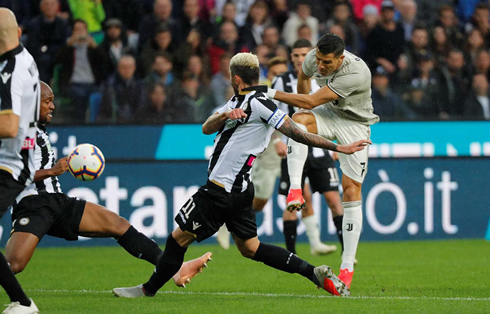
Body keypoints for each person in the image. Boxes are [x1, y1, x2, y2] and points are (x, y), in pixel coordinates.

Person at [112, 52, 371, 299]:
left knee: (176, 239)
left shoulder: (259, 104)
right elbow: (206, 127)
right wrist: (224, 115)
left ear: (235, 78)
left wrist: (338, 146)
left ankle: (147, 290)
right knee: (251, 248)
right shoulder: (234, 103)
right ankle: (312, 273)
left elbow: (296, 131)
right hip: (240, 190)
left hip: (219, 190)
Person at [5, 82, 212, 291]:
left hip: (56, 201)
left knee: (118, 224)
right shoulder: (18, 133)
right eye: (47, 101)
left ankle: (174, 270)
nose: (53, 106)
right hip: (33, 204)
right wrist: (51, 171)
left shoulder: (36, 130)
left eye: (52, 101)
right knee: (14, 264)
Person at [243, 33, 379, 291]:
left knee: (350, 191)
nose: (322, 66)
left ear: (340, 58)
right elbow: (304, 81)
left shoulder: (357, 72)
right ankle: (295, 189)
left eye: (327, 62)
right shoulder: (313, 58)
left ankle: (347, 266)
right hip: (329, 114)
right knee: (299, 121)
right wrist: (301, 113)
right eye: (319, 59)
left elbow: (311, 100)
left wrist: (269, 91)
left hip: (356, 124)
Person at [273, 39, 343, 256]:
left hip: (320, 147)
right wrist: (277, 140)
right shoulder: (280, 81)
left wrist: (336, 143)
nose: (299, 59)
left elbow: (334, 112)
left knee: (333, 198)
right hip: (293, 147)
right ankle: (291, 255)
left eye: (304, 55)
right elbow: (272, 113)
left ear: (312, 56)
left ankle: (346, 252)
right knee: (295, 200)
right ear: (291, 57)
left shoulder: (325, 79)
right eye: (295, 55)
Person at [0, 8, 40, 314]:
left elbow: (9, 126)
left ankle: (24, 303)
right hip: (16, 158)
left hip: (9, 163)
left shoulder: (10, 69)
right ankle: (22, 302)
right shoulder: (24, 57)